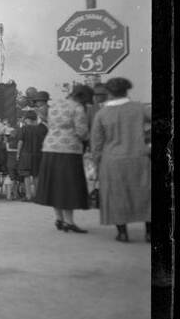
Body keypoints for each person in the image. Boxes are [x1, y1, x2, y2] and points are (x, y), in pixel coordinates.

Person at [91, 78, 151, 243]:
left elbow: (96, 143)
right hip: (139, 157)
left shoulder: (101, 114)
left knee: (117, 195)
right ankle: (149, 233)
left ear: (109, 93)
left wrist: (96, 164)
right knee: (145, 194)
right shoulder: (140, 108)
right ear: (127, 91)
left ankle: (123, 233)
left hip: (112, 160)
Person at [33, 84, 94, 233]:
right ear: (82, 97)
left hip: (49, 148)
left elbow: (48, 121)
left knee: (54, 185)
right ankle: (69, 221)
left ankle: (59, 218)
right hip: (69, 151)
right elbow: (82, 132)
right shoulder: (78, 108)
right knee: (68, 186)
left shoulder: (55, 105)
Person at [16, 110, 47, 201]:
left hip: (26, 155)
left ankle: (28, 196)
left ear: (27, 119)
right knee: (36, 175)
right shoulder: (41, 129)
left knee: (26, 175)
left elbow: (20, 142)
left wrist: (18, 153)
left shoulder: (24, 128)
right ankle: (37, 196)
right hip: (38, 155)